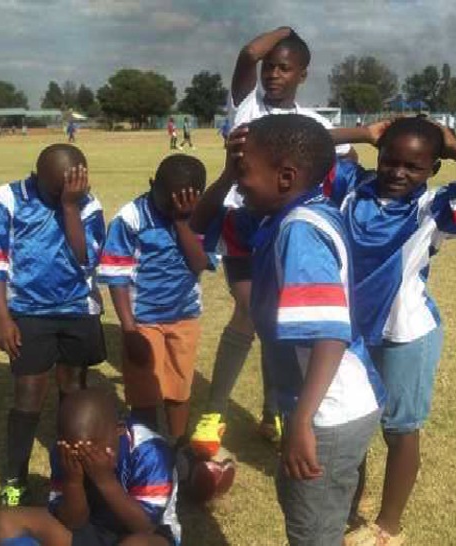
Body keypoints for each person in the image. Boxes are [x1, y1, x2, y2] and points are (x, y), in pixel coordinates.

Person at [328, 117, 456, 546]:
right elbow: (298, 143)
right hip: (350, 331)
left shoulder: (435, 208)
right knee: (353, 421)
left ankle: (388, 526)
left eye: (414, 166)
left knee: (399, 428)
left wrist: (455, 145)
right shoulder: (350, 188)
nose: (398, 173)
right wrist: (362, 133)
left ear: (433, 169)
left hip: (405, 332)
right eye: (390, 160)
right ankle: (354, 502)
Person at [190, 26, 353, 458]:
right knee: (250, 311)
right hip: (240, 219)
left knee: (277, 318)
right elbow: (246, 53)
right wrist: (287, 30)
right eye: (270, 67)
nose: (273, 74)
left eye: (284, 68)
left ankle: (273, 412)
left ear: (302, 73)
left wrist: (366, 137)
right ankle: (215, 412)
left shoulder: (311, 123)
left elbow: (332, 151)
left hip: (281, 221)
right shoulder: (245, 103)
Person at [221, 114, 384, 545]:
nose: (239, 184)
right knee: (310, 514)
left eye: (244, 172)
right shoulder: (299, 212)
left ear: (286, 176)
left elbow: (329, 335)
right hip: (330, 405)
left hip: (329, 411)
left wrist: (302, 423)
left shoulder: (299, 232)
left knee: (312, 532)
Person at [0, 144, 106, 507]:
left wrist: (70, 205)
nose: (73, 189)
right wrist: (2, 318)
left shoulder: (86, 203)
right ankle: (16, 479)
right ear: (38, 176)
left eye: (78, 182)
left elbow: (85, 258)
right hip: (29, 311)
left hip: (78, 310)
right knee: (28, 393)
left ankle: (68, 475)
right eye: (60, 187)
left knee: (74, 391)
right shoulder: (6, 199)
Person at [98, 155, 215, 443]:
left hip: (184, 316)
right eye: (167, 200)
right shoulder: (130, 218)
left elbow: (200, 264)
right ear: (152, 184)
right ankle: (146, 447)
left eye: (183, 200)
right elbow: (117, 276)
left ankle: (177, 445)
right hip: (143, 319)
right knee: (144, 391)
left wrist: (182, 222)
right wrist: (128, 328)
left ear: (196, 197)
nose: (173, 206)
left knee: (179, 387)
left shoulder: (201, 218)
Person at [0, 388, 180, 546]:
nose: (85, 457)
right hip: (92, 527)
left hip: (147, 535)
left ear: (119, 430)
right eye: (76, 451)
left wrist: (104, 480)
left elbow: (145, 527)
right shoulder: (64, 449)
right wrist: (73, 482)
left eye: (92, 448)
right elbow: (73, 522)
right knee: (4, 522)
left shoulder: (149, 451)